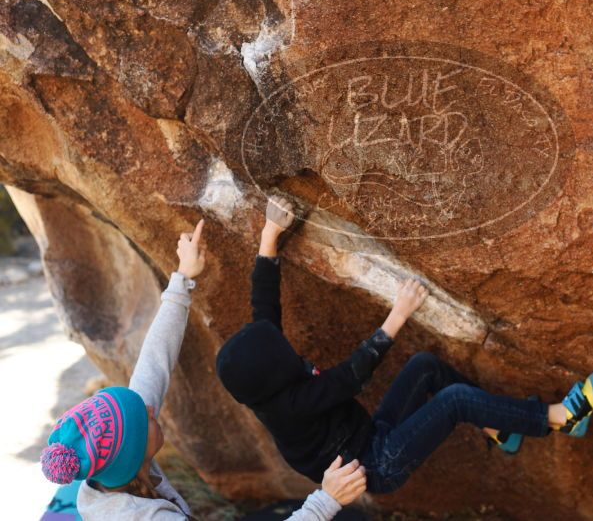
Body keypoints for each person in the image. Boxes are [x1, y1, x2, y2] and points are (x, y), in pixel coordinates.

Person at [216, 197, 593, 494]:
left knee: (425, 366)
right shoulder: (288, 407)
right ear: (271, 375)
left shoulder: (264, 377)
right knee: (454, 401)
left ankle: (501, 428)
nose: (278, 341)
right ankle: (559, 419)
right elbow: (350, 378)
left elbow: (263, 307)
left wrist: (269, 234)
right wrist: (397, 315)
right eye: (276, 348)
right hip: (377, 465)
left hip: (369, 436)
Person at [39, 219, 365, 520]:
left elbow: (154, 364)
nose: (152, 407)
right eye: (146, 417)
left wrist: (182, 279)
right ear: (134, 456)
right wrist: (326, 500)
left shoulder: (114, 465)